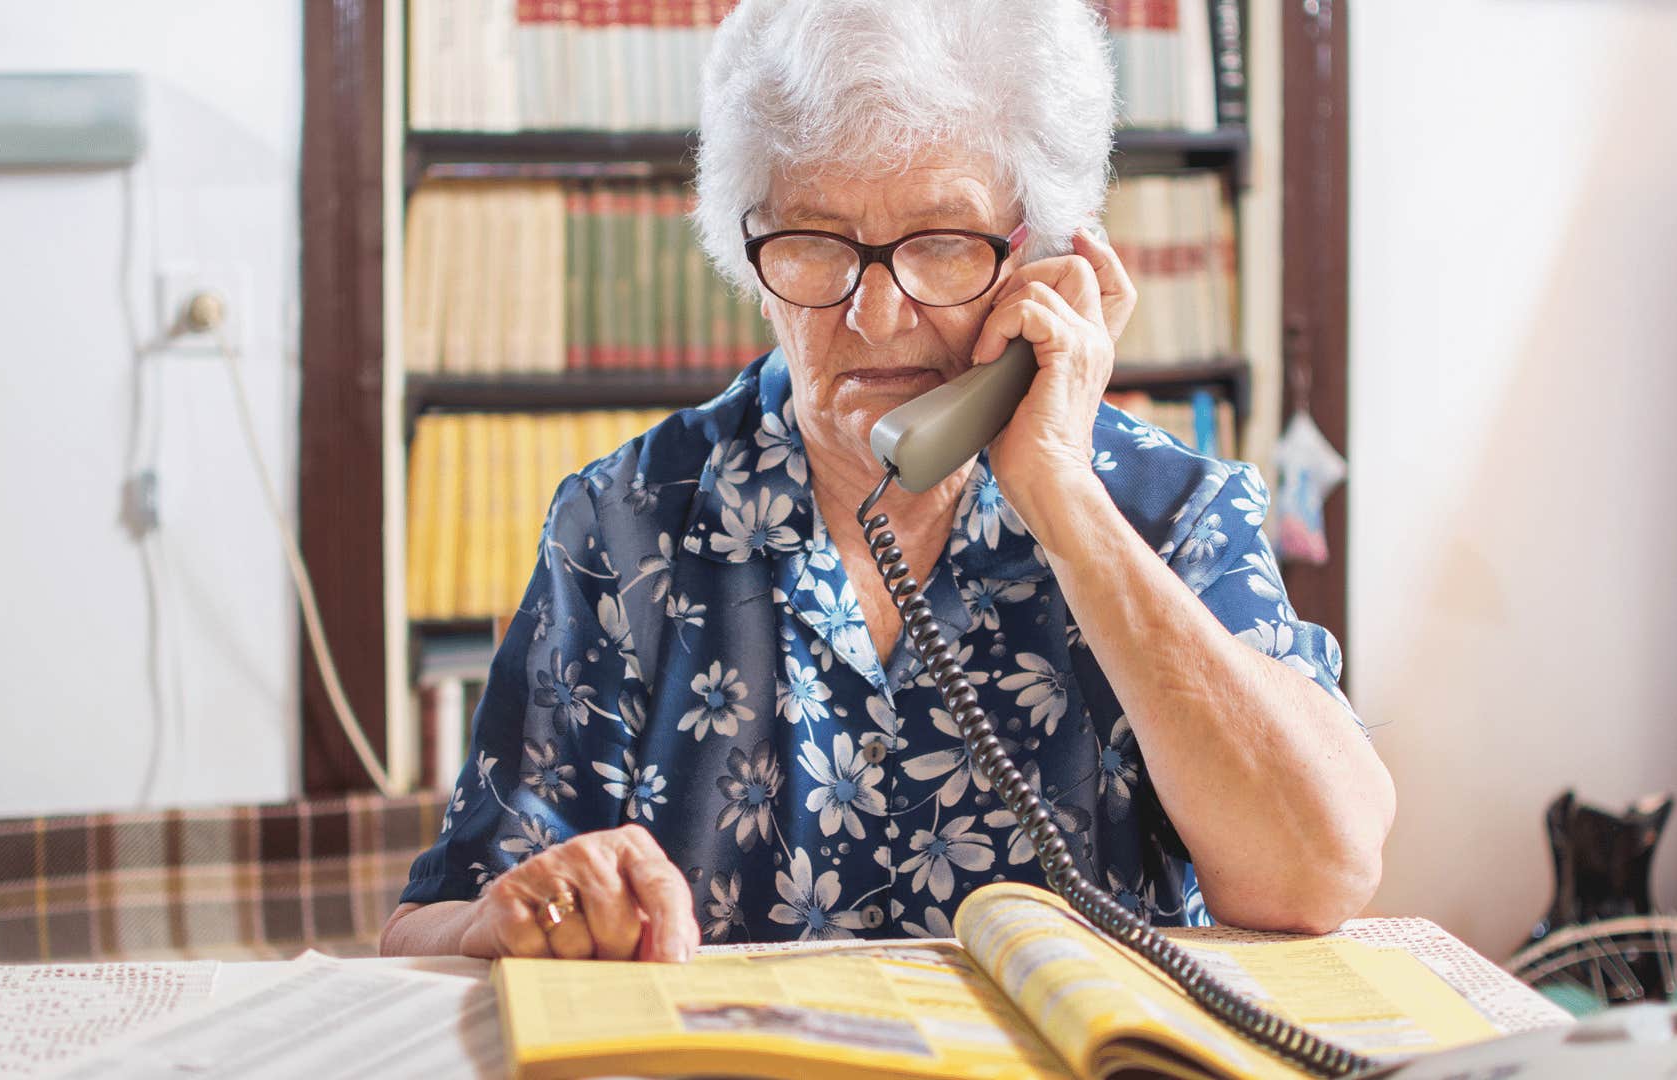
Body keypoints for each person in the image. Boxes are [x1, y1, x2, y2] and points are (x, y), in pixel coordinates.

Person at [380, 0, 1394, 962]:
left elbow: (1319, 872)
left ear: (1040, 256)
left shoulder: (1165, 509)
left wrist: (1062, 497)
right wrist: (509, 921)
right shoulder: (625, 522)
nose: (873, 314)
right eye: (816, 243)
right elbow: (433, 921)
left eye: (941, 244)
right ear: (749, 246)